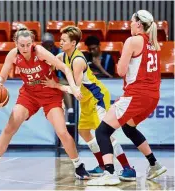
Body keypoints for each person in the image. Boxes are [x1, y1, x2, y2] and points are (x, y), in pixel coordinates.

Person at [0, 26, 90, 181]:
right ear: (16, 44)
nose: (25, 48)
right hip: (29, 94)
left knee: (62, 132)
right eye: (21, 45)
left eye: (28, 45)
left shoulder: (40, 52)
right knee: (10, 127)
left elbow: (64, 67)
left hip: (49, 94)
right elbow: (3, 75)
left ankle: (79, 166)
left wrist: (72, 86)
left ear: (32, 42)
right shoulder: (13, 55)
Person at [41, 25, 136, 180]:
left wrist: (56, 85)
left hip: (97, 97)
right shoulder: (62, 56)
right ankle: (101, 165)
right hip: (85, 99)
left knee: (104, 134)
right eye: (60, 40)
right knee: (84, 131)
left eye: (64, 40)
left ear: (73, 43)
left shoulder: (78, 60)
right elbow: (48, 61)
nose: (60, 43)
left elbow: (75, 89)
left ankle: (127, 167)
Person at [87, 10, 167, 186]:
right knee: (129, 129)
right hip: (153, 96)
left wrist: (121, 60)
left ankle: (109, 173)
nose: (130, 24)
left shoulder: (132, 41)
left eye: (131, 22)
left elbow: (121, 71)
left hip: (137, 94)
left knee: (102, 131)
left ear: (138, 23)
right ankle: (154, 163)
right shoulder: (154, 44)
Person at [42, 32, 75, 123]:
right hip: (42, 78)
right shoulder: (39, 53)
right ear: (43, 45)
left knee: (62, 86)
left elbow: (63, 69)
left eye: (50, 45)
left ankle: (70, 111)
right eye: (46, 45)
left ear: (53, 44)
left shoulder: (59, 52)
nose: (48, 47)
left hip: (58, 77)